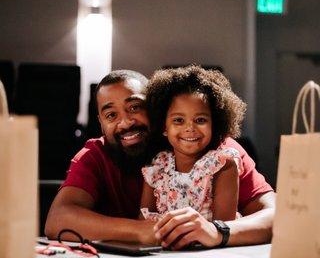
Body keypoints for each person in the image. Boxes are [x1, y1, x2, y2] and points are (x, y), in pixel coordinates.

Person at [45, 69, 275, 248]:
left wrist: (218, 232)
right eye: (111, 115)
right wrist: (139, 230)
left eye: (135, 107)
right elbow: (58, 220)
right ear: (101, 122)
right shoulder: (94, 156)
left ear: (156, 109)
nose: (125, 122)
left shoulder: (212, 148)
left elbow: (279, 215)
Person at [140, 66, 244, 232]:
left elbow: (222, 229)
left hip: (208, 254)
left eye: (200, 120)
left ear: (214, 124)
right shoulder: (158, 167)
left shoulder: (222, 165)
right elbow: (143, 223)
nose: (190, 128)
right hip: (162, 253)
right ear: (164, 127)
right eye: (179, 120)